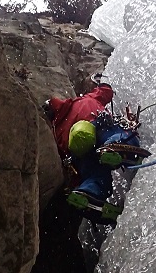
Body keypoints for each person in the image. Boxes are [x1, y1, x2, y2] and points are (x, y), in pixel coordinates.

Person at [43, 78, 149, 224]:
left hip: (79, 152)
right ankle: (113, 146)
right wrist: (104, 85)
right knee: (120, 135)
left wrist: (76, 180)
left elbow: (65, 158)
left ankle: (86, 192)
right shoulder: (83, 100)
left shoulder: (57, 131)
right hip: (97, 125)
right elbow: (105, 93)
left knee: (96, 175)